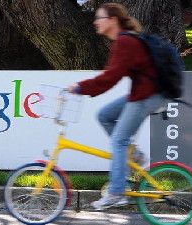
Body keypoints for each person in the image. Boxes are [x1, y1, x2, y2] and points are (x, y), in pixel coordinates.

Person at [68, 3, 166, 210]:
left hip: (149, 95)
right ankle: (136, 156)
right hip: (144, 92)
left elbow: (110, 78)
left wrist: (80, 87)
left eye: (99, 18)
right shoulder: (123, 41)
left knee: (119, 140)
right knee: (105, 115)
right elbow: (112, 76)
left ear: (112, 20)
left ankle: (116, 193)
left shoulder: (125, 42)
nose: (95, 22)